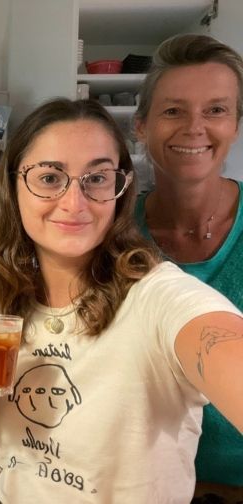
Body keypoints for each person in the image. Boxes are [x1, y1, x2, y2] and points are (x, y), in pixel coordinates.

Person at [0, 98, 243, 503]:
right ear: (12, 186)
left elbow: (217, 341)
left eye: (96, 178)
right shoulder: (2, 309)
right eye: (48, 178)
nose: (74, 203)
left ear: (120, 188)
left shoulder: (158, 297)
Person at [133, 34, 243, 502]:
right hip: (140, 486)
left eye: (216, 110)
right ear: (141, 125)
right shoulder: (109, 234)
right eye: (174, 110)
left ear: (236, 124)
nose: (195, 127)